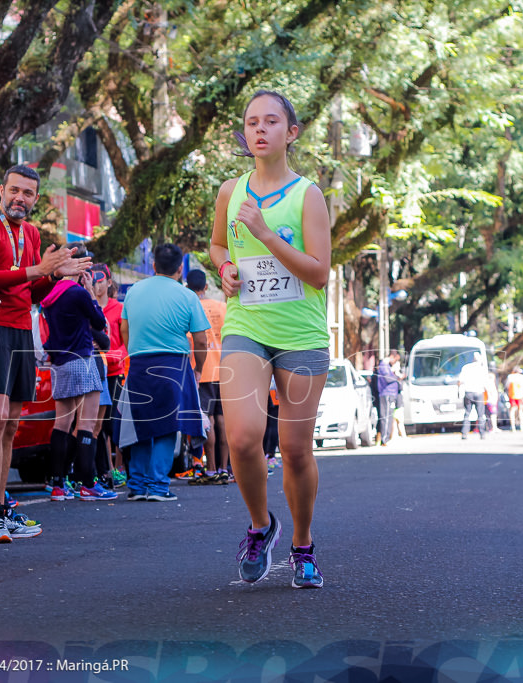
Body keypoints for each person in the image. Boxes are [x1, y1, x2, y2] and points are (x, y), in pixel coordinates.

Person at [210, 90, 332, 589]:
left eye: (271, 122)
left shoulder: (309, 195)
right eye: (252, 123)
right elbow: (219, 243)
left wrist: (264, 235)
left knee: (296, 448)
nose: (260, 130)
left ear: (291, 132)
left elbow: (319, 273)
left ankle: (302, 544)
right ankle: (262, 526)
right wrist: (223, 268)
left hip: (300, 332)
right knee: (240, 438)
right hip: (246, 326)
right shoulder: (229, 191)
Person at [0, 164, 91, 543]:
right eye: (14, 190)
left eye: (28, 193)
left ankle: (0, 507)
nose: (20, 198)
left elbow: (31, 294)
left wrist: (54, 276)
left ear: (35, 200)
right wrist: (38, 269)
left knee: (12, 423)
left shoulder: (31, 232)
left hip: (22, 329)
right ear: (1, 190)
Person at [115, 243, 209, 502]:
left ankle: (137, 485)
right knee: (169, 425)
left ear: (154, 265)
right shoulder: (187, 296)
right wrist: (199, 369)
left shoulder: (134, 291)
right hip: (174, 365)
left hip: (140, 364)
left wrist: (136, 349)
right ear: (180, 269)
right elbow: (201, 342)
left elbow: (124, 329)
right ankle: (157, 486)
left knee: (142, 422)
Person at [40, 258, 116, 503]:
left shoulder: (49, 295)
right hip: (83, 359)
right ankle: (87, 484)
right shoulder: (77, 293)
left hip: (59, 363)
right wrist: (92, 293)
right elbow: (100, 323)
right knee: (86, 424)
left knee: (61, 425)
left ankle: (58, 485)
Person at [186, 268, 231, 483]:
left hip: (202, 371)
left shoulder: (190, 309)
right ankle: (225, 467)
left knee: (208, 420)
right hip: (226, 371)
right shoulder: (222, 307)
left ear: (187, 287)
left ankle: (211, 467)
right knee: (224, 420)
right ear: (205, 287)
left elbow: (190, 343)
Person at [93, 264, 128, 485]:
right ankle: (104, 469)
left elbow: (127, 343)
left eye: (101, 280)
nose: (97, 285)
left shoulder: (119, 308)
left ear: (109, 282)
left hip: (114, 372)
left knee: (117, 422)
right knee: (98, 423)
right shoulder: (88, 305)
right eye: (93, 280)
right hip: (94, 371)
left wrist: (113, 355)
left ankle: (120, 468)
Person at [458, 352, 488, 440]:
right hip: (479, 392)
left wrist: (459, 392)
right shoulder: (482, 369)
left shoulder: (466, 368)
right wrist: (489, 393)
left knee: (467, 413)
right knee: (480, 414)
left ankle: (464, 433)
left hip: (468, 392)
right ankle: (482, 433)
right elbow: (485, 383)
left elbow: (460, 381)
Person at [376, 350, 404, 445]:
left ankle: (387, 438)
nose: (395, 362)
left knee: (389, 416)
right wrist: (397, 376)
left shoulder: (387, 366)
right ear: (392, 356)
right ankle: (385, 439)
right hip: (386, 393)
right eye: (395, 360)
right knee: (386, 416)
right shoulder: (384, 365)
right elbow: (388, 379)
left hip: (391, 393)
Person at [504, 367, 523, 432]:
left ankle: (513, 427)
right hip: (520, 395)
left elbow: (507, 385)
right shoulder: (522, 377)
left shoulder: (510, 377)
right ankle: (522, 427)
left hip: (512, 395)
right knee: (520, 411)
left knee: (512, 411)